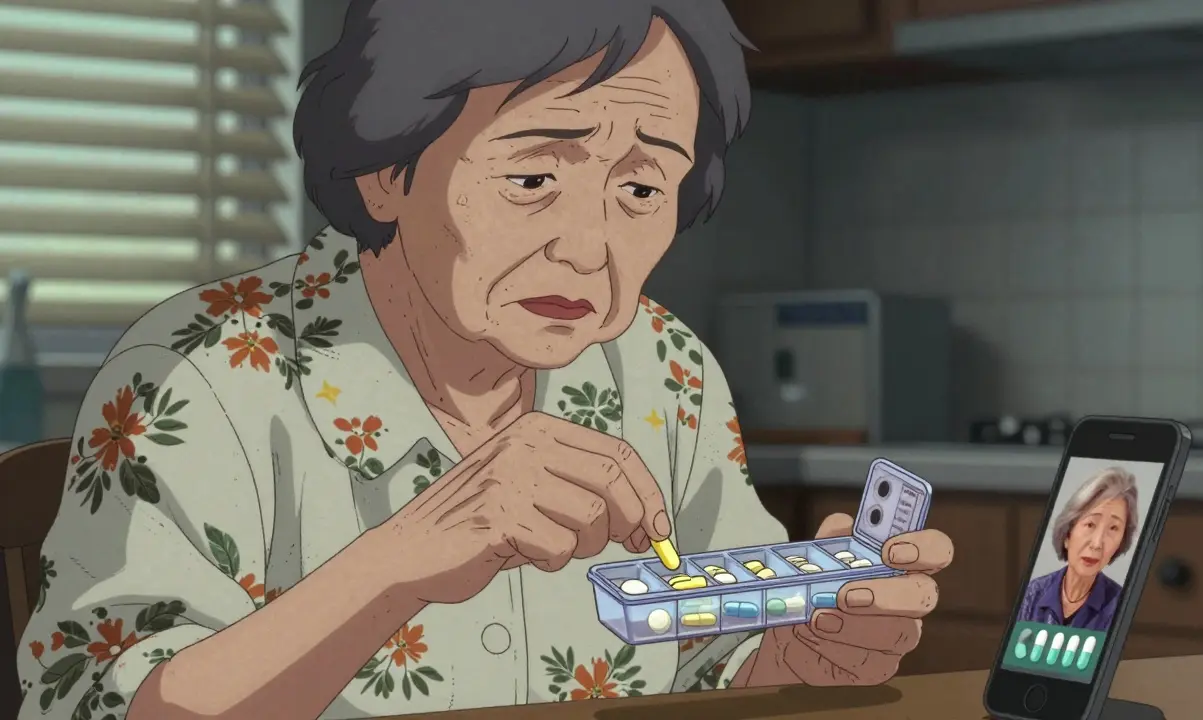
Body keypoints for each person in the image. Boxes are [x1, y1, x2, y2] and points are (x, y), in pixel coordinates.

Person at [16, 2, 955, 719]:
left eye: (641, 188)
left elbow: (714, 659)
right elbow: (99, 706)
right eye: (533, 177)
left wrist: (802, 650)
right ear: (387, 170)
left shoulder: (664, 366)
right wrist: (398, 565)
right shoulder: (204, 372)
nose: (588, 250)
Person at [1016, 467, 1140, 631]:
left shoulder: (1120, 606)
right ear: (1068, 534)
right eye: (1090, 524)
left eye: (1113, 528)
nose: (1097, 543)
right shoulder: (1032, 594)